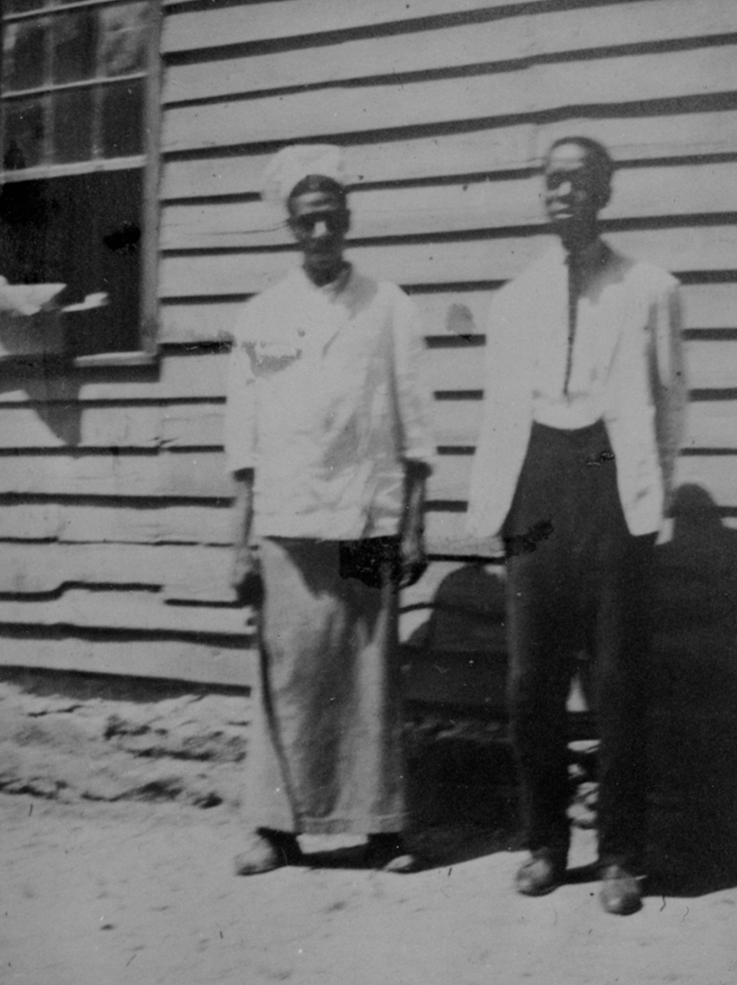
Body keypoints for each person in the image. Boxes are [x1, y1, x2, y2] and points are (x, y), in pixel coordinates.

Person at [466, 136, 686, 913]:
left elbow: (670, 409)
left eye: (580, 181)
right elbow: (499, 413)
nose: (564, 193)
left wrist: (648, 502)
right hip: (537, 489)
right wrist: (498, 508)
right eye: (553, 181)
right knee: (532, 683)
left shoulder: (650, 288)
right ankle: (544, 844)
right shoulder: (514, 296)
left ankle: (622, 856)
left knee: (620, 682)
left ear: (606, 192)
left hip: (611, 488)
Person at [224, 144, 434, 876]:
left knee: (371, 679)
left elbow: (416, 428)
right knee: (287, 677)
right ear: (290, 227)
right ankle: (276, 830)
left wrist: (413, 524)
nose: (320, 234)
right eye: (307, 222)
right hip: (286, 517)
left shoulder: (389, 305)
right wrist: (236, 542)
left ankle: (382, 829)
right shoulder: (262, 315)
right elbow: (244, 441)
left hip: (367, 515)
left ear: (349, 221)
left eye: (332, 219)